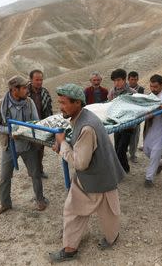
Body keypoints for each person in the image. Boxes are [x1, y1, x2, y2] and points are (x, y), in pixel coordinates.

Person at [49, 84, 125, 263]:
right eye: (59, 102)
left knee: (74, 210)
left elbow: (80, 164)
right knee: (108, 211)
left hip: (93, 176)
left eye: (64, 103)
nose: (60, 107)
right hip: (105, 173)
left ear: (77, 103)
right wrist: (64, 145)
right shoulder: (85, 117)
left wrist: (62, 145)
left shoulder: (86, 127)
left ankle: (70, 250)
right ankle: (111, 238)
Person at [0, 75, 48, 215]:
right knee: (4, 177)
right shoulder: (0, 104)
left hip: (28, 145)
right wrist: (9, 131)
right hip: (9, 147)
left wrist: (27, 130)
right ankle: (5, 203)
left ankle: (40, 199)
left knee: (35, 174)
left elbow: (36, 121)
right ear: (14, 89)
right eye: (24, 88)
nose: (27, 91)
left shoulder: (29, 102)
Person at [143, 74, 162, 188]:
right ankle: (160, 162)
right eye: (151, 86)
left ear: (161, 85)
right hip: (149, 127)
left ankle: (149, 178)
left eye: (155, 87)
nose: (153, 89)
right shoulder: (149, 96)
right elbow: (144, 112)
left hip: (161, 128)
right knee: (146, 150)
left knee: (155, 152)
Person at [108, 69, 136, 173]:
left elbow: (136, 110)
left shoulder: (132, 93)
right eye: (114, 81)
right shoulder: (112, 92)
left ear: (124, 80)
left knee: (121, 150)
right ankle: (125, 168)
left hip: (128, 126)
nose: (116, 83)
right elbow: (109, 106)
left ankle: (122, 170)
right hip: (117, 125)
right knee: (117, 149)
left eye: (118, 80)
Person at [27, 69, 53, 179]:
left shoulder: (45, 92)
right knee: (30, 150)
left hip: (42, 124)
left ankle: (39, 170)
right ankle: (33, 171)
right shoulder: (25, 92)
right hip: (28, 125)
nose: (39, 82)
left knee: (40, 149)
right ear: (31, 80)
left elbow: (49, 109)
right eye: (37, 80)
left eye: (41, 80)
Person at [127, 71, 145, 163]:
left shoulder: (141, 89)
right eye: (131, 79)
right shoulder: (125, 89)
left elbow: (142, 103)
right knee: (124, 136)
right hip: (125, 117)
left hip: (136, 117)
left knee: (135, 137)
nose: (133, 81)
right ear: (128, 79)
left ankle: (133, 155)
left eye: (135, 79)